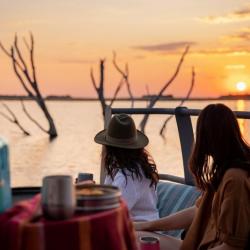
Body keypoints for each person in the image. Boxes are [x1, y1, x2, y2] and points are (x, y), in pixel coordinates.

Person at [135, 103, 250, 250]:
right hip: (198, 243)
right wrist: (146, 226)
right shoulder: (225, 171)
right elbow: (198, 211)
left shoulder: (235, 179)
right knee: (136, 235)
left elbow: (233, 246)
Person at [94, 113, 159, 221]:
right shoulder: (132, 168)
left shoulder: (127, 178)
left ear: (110, 148)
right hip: (140, 225)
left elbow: (110, 214)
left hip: (141, 230)